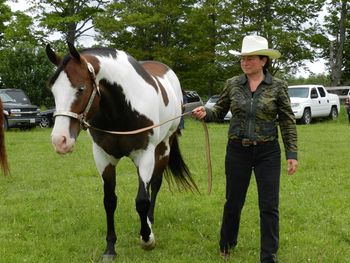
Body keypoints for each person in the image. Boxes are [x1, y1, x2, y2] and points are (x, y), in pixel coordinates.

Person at [192, 35, 298, 263]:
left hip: (268, 152)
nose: (245, 62)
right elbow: (218, 111)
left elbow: (287, 120)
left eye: (250, 58)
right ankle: (226, 244)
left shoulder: (278, 86)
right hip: (237, 151)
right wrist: (205, 113)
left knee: (269, 205)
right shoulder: (232, 84)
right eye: (243, 58)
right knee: (233, 201)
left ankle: (268, 255)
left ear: (263, 61)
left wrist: (292, 154)